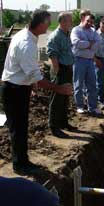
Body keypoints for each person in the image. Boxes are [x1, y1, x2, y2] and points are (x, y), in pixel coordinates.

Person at [1, 10, 72, 174]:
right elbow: (37, 78)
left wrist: (30, 85)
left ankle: (22, 160)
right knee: (18, 128)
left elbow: (27, 72)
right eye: (47, 23)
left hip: (18, 86)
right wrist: (58, 88)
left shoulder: (24, 36)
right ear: (40, 25)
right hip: (14, 90)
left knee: (20, 126)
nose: (48, 27)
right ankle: (20, 165)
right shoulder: (27, 44)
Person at [47, 12, 77, 138]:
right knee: (57, 99)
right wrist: (57, 72)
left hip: (68, 69)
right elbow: (53, 55)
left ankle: (64, 122)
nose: (71, 23)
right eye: (70, 20)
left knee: (65, 98)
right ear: (63, 22)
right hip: (60, 70)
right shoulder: (56, 36)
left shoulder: (66, 34)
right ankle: (54, 127)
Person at [71, 10, 102, 116]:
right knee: (78, 84)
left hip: (90, 61)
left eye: (91, 22)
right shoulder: (76, 30)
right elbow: (76, 43)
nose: (90, 24)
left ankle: (92, 107)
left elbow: (98, 43)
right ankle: (80, 106)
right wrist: (90, 44)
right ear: (83, 19)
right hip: (78, 60)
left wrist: (86, 44)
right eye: (88, 21)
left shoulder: (93, 31)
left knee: (92, 84)